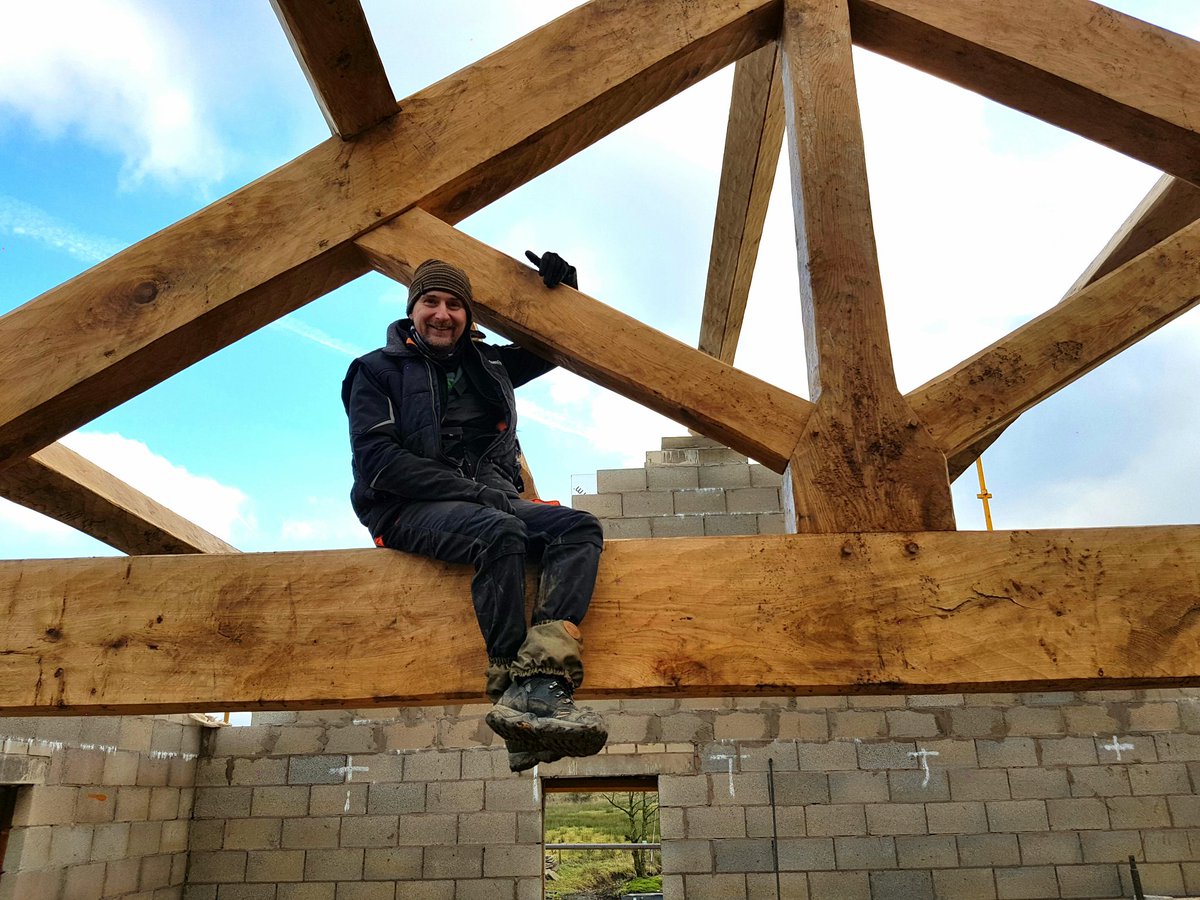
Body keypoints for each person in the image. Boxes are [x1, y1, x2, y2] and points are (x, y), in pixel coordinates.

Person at [341, 252, 607, 773]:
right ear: (413, 310)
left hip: (487, 497)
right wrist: (472, 493)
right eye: (431, 302)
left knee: (578, 528)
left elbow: (550, 348)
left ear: (469, 316)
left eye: (454, 305)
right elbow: (379, 462)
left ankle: (540, 683)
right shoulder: (375, 370)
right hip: (405, 506)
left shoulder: (489, 365)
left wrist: (558, 295)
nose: (442, 314)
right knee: (500, 533)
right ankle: (509, 681)